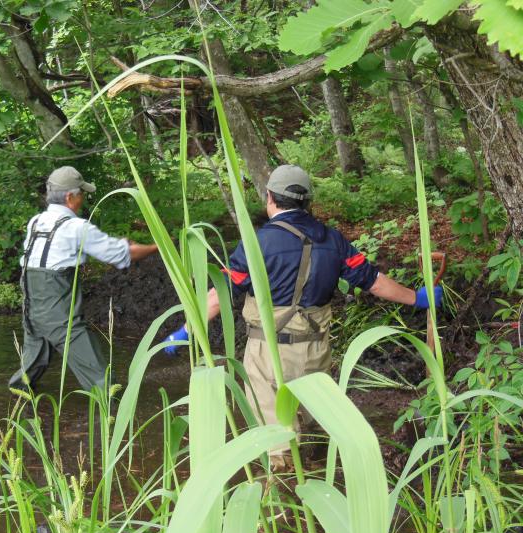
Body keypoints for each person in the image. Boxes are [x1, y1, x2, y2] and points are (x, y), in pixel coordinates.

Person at [163, 165, 443, 469]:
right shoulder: (333, 240)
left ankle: (285, 504)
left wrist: (186, 331)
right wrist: (417, 298)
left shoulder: (259, 242)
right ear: (308, 201)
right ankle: (317, 478)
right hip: (316, 351)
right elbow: (373, 281)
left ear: (269, 198)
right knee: (309, 425)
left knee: (276, 443)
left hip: (269, 354)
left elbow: (221, 292)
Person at [9, 166, 159, 393]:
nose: (84, 199)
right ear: (70, 197)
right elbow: (121, 255)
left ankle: (17, 411)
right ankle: (113, 414)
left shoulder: (36, 222)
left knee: (26, 376)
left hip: (32, 308)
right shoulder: (76, 227)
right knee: (102, 381)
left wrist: (117, 246)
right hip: (60, 316)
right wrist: (159, 247)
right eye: (82, 194)